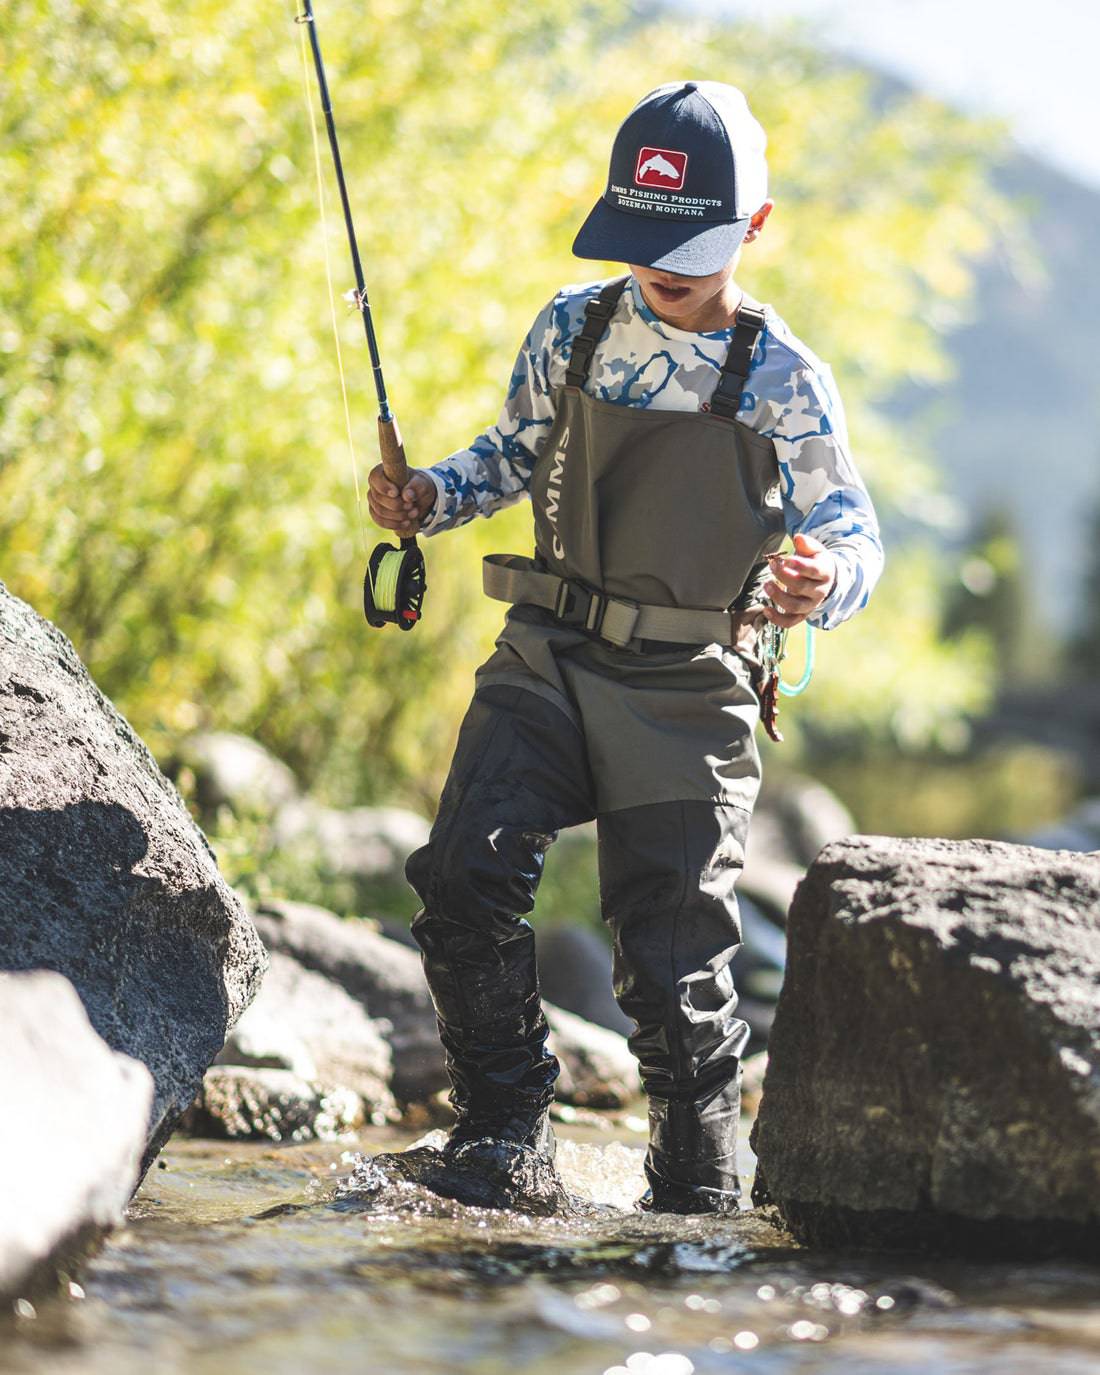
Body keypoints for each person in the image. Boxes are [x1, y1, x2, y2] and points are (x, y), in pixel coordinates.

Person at [368, 81, 883, 1214]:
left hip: (690, 686)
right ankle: (504, 1134)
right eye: (646, 241)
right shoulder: (572, 327)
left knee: (671, 965)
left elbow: (854, 535)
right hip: (549, 648)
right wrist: (426, 497)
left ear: (754, 227)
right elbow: (507, 457)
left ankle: (694, 1197)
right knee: (460, 878)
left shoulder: (786, 377)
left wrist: (819, 578)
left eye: (692, 244)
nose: (664, 267)